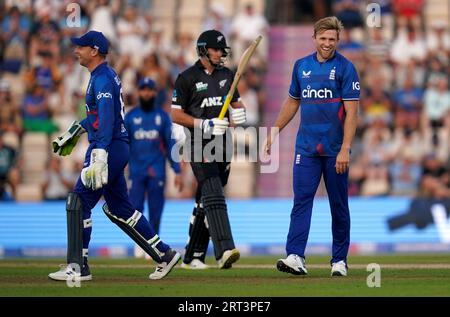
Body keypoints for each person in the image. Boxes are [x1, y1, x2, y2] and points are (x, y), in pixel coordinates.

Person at [48, 30, 180, 282]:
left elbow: (108, 117)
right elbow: (100, 116)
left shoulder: (103, 78)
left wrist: (99, 153)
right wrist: (77, 128)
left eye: (81, 47)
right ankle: (164, 254)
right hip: (113, 146)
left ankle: (77, 266)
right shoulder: (102, 76)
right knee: (119, 208)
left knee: (78, 201)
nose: (76, 50)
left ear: (94, 50)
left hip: (108, 147)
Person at [264, 17, 360, 277]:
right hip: (306, 149)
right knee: (301, 202)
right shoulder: (301, 66)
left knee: (338, 205)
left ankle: (339, 260)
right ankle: (295, 256)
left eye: (332, 39)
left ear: (338, 40)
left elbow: (352, 113)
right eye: (323, 38)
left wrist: (345, 148)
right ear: (315, 37)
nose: (327, 43)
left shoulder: (346, 68)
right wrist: (274, 130)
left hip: (334, 150)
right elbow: (292, 102)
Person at [171, 30, 247, 269]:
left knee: (205, 199)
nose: (221, 53)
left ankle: (193, 255)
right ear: (203, 50)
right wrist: (203, 123)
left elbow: (236, 103)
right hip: (197, 143)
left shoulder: (227, 75)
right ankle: (224, 249)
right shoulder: (186, 78)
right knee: (213, 190)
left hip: (223, 143)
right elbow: (175, 114)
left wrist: (239, 113)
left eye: (222, 49)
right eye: (216, 49)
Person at [124, 77, 183, 234]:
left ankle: (153, 243)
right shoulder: (130, 117)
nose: (146, 93)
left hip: (157, 171)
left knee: (155, 211)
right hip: (136, 172)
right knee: (135, 208)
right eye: (143, 89)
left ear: (155, 93)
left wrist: (177, 171)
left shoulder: (162, 117)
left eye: (150, 90)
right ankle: (140, 243)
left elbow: (171, 144)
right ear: (138, 92)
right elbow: (123, 144)